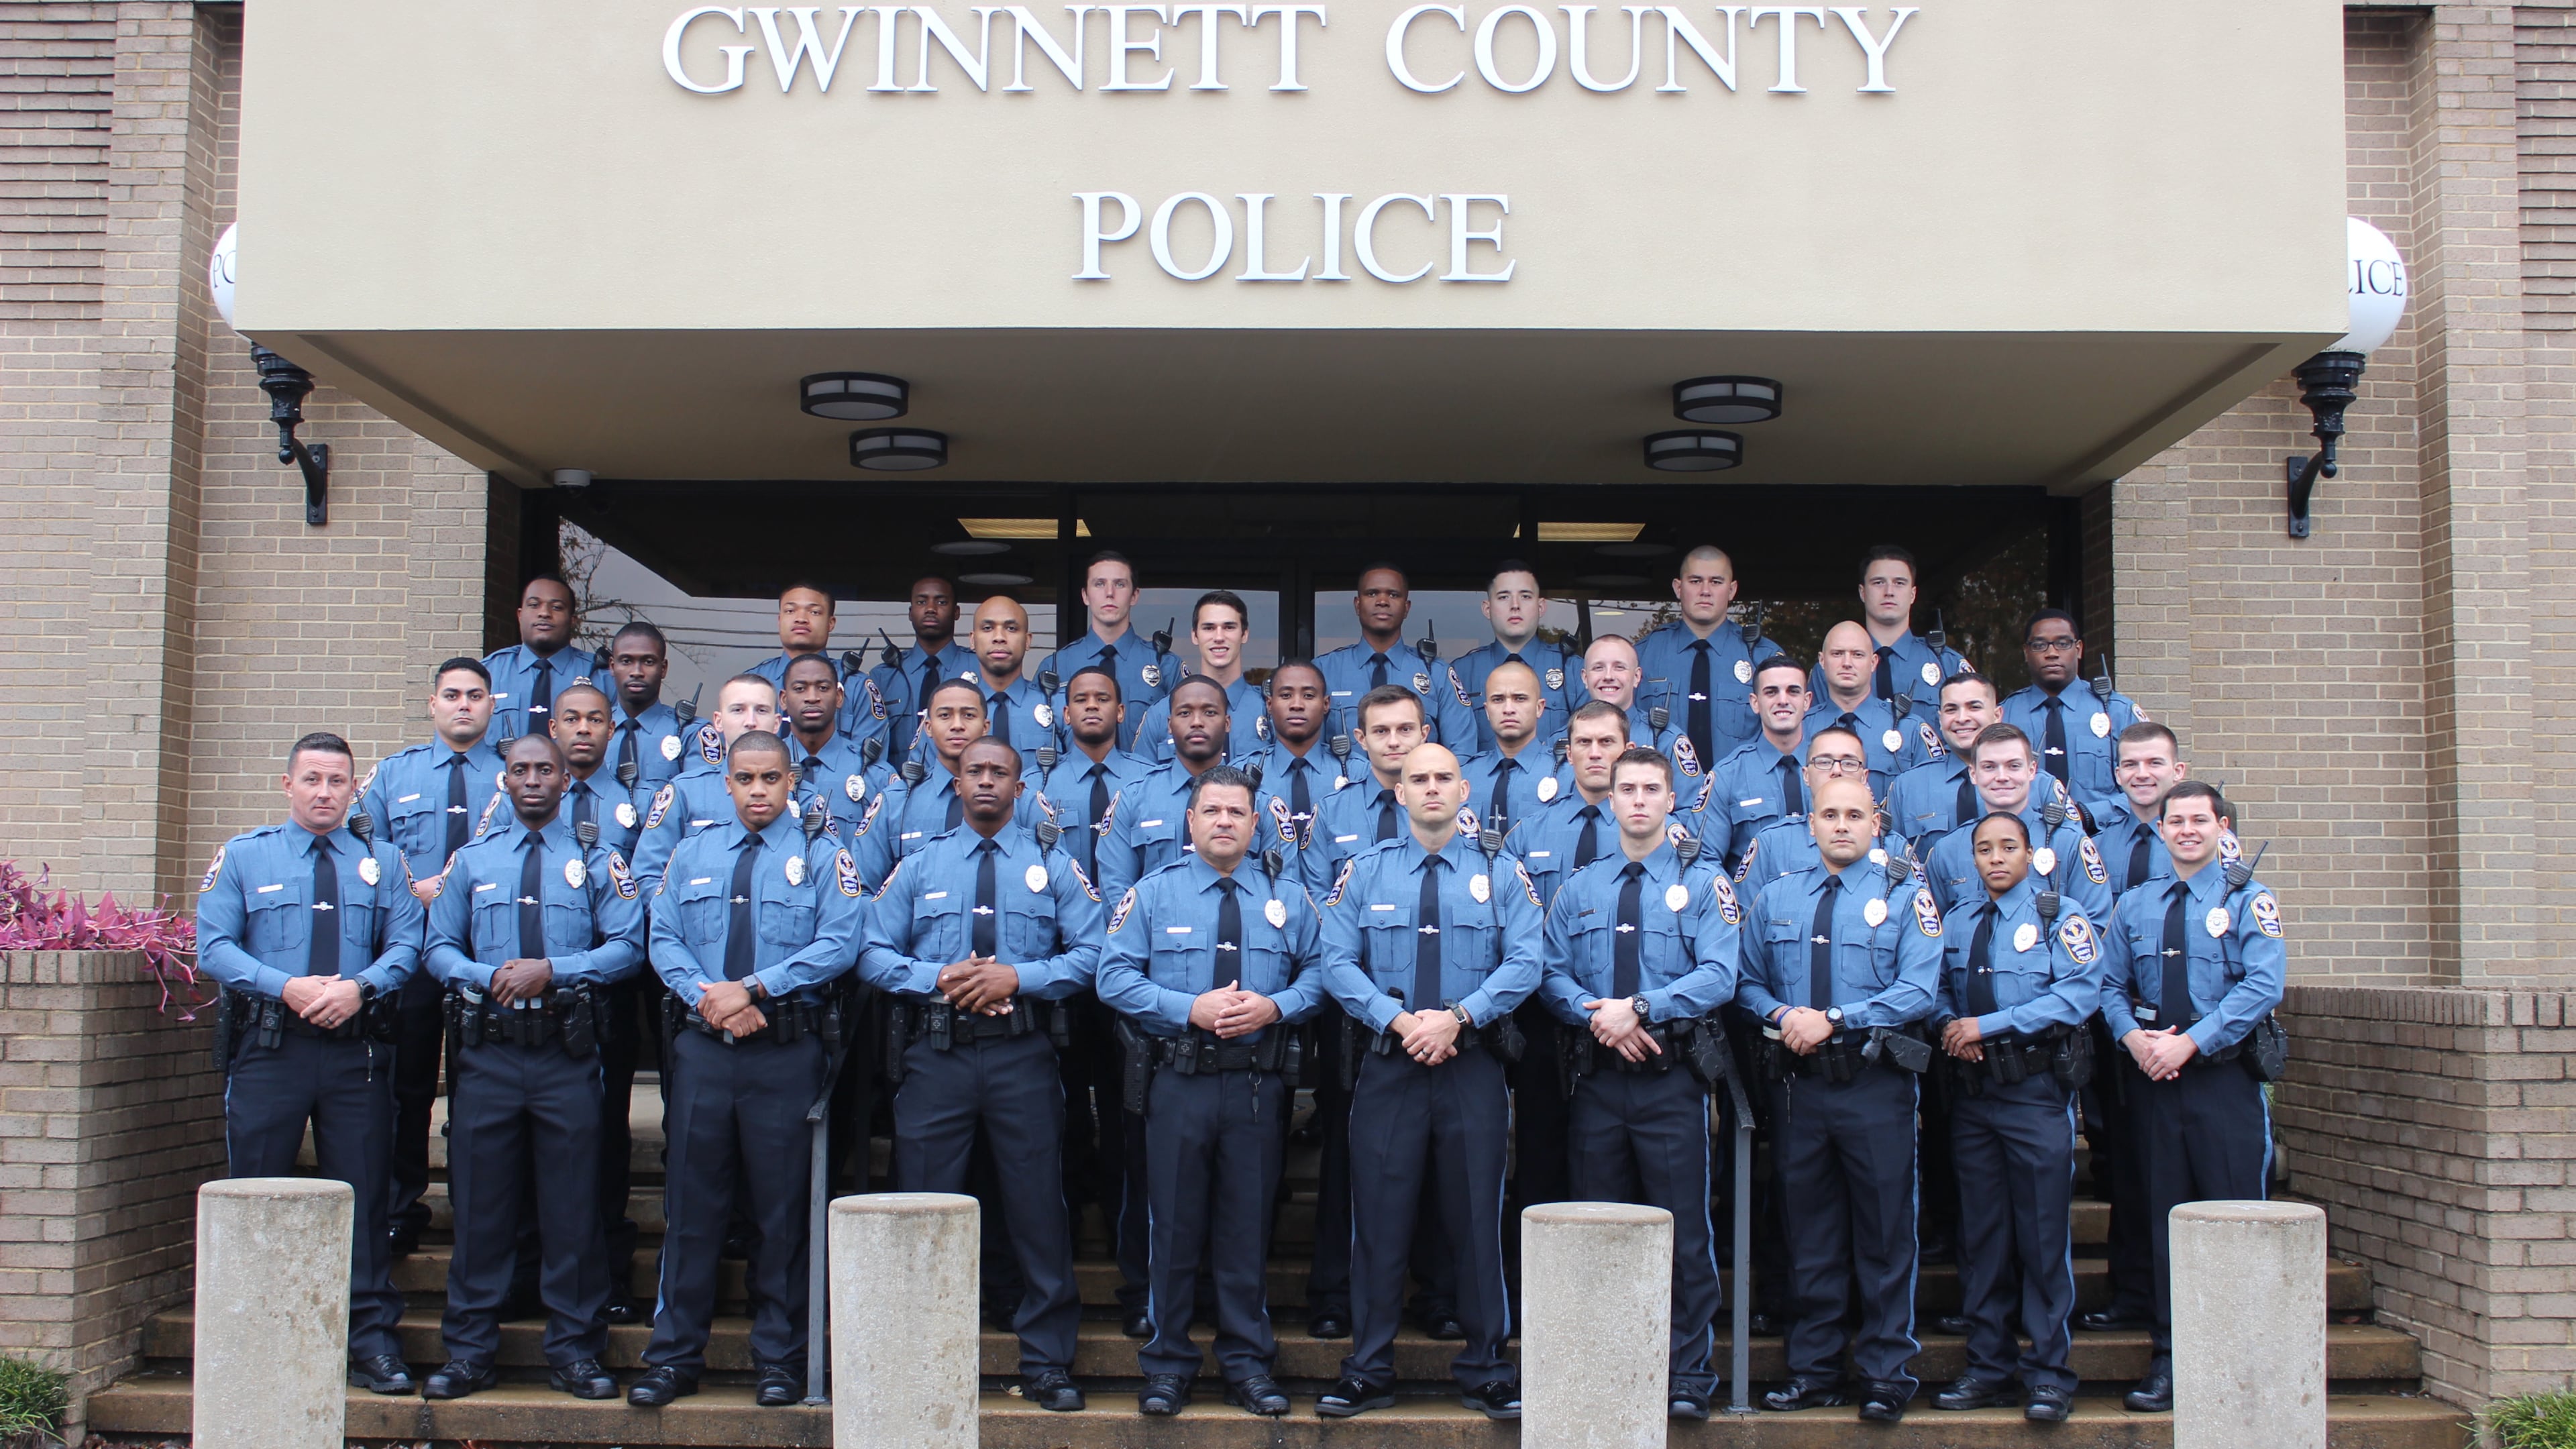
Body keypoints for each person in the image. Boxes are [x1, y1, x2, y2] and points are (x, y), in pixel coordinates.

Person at [861, 736, 1105, 1413]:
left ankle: (1048, 1361)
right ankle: (915, 1359)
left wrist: (1019, 977)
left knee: (1037, 1211)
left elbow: (1095, 954)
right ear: (957, 784)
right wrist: (935, 976)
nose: (989, 782)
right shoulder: (919, 865)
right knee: (922, 1210)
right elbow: (871, 952)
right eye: (976, 772)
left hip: (1022, 1054)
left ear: (1021, 789)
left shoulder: (1053, 864)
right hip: (936, 1055)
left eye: (1001, 773)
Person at [631, 731, 866, 1409]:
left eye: (771, 779)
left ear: (792, 783)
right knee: (694, 1212)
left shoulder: (824, 855)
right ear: (727, 784)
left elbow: (841, 942)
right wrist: (714, 1000)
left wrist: (755, 988)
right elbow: (663, 936)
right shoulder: (692, 852)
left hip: (786, 1055)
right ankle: (673, 1359)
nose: (758, 791)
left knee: (781, 1214)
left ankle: (780, 1360)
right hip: (706, 1051)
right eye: (746, 779)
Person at [1314, 743, 1541, 1422]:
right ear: (1400, 792)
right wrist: (1398, 1019)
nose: (1433, 788)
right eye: (1420, 779)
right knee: (1379, 1223)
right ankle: (1368, 1368)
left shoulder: (1503, 872)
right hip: (1390, 1064)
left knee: (1477, 1217)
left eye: (1445, 777)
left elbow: (1528, 958)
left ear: (1464, 790)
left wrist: (1460, 1018)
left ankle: (1485, 1366)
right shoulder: (1365, 873)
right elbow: (1334, 960)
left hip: (1472, 1064)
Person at [195, 732, 425, 1397]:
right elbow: (213, 946)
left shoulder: (385, 861)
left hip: (356, 1052)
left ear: (356, 789)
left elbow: (407, 944)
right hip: (272, 1050)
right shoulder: (245, 856)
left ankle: (371, 1341)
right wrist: (284, 985)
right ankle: (251, 1341)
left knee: (362, 1198)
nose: (325, 793)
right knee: (254, 1198)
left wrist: (361, 987)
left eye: (338, 781)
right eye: (313, 780)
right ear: (288, 785)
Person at [1095, 765, 1326, 1418]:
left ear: (1256, 826)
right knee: (1172, 1227)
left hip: (1256, 1088)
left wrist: (1276, 1007)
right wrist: (1184, 1007)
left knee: (1245, 1230)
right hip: (1179, 1083)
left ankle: (1247, 1365)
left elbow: (1321, 973)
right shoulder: (1153, 893)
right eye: (1212, 811)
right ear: (1190, 822)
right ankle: (1168, 1365)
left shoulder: (1289, 894)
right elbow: (1113, 980)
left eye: (1236, 813)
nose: (1224, 821)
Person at [421, 734, 645, 1403]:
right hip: (487, 1056)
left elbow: (629, 946)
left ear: (564, 780)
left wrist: (555, 970)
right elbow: (437, 947)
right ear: (505, 781)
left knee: (573, 1212)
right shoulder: (472, 862)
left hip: (566, 1056)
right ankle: (468, 1353)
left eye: (545, 769)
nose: (533, 780)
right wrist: (486, 975)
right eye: (520, 770)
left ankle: (576, 1352)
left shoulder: (599, 862)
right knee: (483, 1211)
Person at [1539, 745, 1742, 1419]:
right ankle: (1605, 1365)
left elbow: (1720, 974)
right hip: (1597, 1081)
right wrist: (1599, 1016)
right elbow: (1551, 973)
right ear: (1608, 797)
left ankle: (1688, 1373)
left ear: (1671, 799)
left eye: (1652, 789)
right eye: (1626, 789)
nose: (1638, 801)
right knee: (1599, 1228)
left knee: (1680, 1231)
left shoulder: (1705, 879)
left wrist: (1643, 1008)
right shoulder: (1581, 887)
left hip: (1670, 1080)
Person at [1734, 777, 1941, 1423]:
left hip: (1874, 1085)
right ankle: (1815, 1369)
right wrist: (1781, 1013)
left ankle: (1886, 1372)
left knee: (1884, 1233)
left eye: (1855, 815)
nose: (1842, 825)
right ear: (1811, 823)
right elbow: (1742, 980)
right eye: (1830, 814)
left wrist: (1834, 1016)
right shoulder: (1775, 896)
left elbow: (1920, 990)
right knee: (1810, 1235)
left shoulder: (1907, 896)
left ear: (1876, 823)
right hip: (1800, 1089)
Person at [2098, 781, 2286, 1415]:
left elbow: (2263, 985)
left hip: (2223, 1083)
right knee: (2165, 1225)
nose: (2184, 830)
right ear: (2160, 830)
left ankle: (2243, 1361)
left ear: (2221, 826)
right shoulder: (2134, 906)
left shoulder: (2248, 900)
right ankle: (2171, 1359)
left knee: (2238, 1223)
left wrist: (2193, 1044)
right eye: (2174, 821)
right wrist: (2134, 1039)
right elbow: (2109, 985)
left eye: (2197, 820)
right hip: (2155, 1082)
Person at [1926, 812, 2102, 1424]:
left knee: (2042, 1237)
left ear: (2031, 854)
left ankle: (2050, 1374)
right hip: (1974, 1097)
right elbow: (1936, 989)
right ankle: (1990, 1367)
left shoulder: (2060, 915)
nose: (1995, 858)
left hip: (2033, 1093)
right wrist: (1953, 1026)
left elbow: (2079, 993)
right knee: (1982, 1238)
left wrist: (1990, 1026)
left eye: (2008, 847)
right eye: (1983, 849)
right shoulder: (1957, 921)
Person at [358, 657, 505, 1258]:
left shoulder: (515, 772)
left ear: (492, 705)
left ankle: (479, 1207)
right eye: (453, 695)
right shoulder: (395, 775)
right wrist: (410, 888)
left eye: (475, 695)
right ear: (433, 703)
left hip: (488, 948)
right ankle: (401, 1206)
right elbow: (361, 848)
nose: (464, 704)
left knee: (483, 1086)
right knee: (408, 1084)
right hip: (413, 946)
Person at [1026, 664, 1154, 1332]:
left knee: (1132, 1118)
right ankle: (1072, 1225)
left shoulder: (1147, 784)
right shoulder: (1041, 788)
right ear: (1064, 712)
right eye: (1081, 699)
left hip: (1138, 977)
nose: (1093, 707)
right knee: (1067, 1109)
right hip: (1066, 976)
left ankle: (1123, 1222)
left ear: (1122, 709)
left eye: (1104, 697)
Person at [550, 680, 656, 1324]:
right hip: (527, 1005)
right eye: (572, 719)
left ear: (612, 729)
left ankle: (610, 1272)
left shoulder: (638, 803)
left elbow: (643, 890)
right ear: (554, 726)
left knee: (606, 1135)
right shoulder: (518, 804)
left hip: (606, 994)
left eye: (596, 719)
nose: (584, 729)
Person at [1098, 676, 1282, 904]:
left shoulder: (1260, 803)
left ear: (1227, 723)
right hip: (1156, 934)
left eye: (1210, 713)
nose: (1197, 722)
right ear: (1169, 724)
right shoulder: (1132, 800)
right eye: (1185, 713)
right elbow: (1117, 892)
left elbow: (1279, 892)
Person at [1920, 724, 2111, 926]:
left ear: (2031, 770)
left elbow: (2094, 925)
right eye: (1989, 767)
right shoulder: (1947, 850)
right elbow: (1935, 930)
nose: (2002, 777)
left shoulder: (2068, 842)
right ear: (1973, 774)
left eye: (2013, 766)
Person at [631, 674, 786, 898]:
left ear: (777, 723)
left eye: (761, 710)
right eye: (738, 710)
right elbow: (647, 878)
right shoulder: (685, 792)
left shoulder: (802, 794)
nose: (750, 720)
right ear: (718, 721)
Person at [1635, 545, 1784, 771]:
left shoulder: (1762, 657)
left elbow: (1786, 733)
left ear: (1732, 590)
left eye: (1716, 582)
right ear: (1678, 587)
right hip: (1662, 796)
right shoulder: (1643, 655)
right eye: (1695, 581)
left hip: (1739, 796)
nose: (1705, 591)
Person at [2000, 610, 2146, 827]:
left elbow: (2148, 788)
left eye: (2063, 643)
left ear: (2078, 649)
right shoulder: (2004, 716)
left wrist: (2089, 814)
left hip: (2101, 840)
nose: (2052, 653)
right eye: (2040, 645)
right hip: (2023, 842)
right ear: (2026, 652)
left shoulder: (2117, 711)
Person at [1315, 565, 1477, 748]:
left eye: (1393, 595)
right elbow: (1309, 751)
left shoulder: (1436, 674)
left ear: (1407, 608)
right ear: (1357, 605)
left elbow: (1462, 752)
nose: (1382, 601)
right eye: (1372, 593)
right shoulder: (1323, 671)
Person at [1037, 551, 1174, 752]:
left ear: (1134, 595)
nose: (1110, 593)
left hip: (1146, 780)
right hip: (1073, 780)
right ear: (1085, 595)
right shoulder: (1055, 666)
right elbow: (1041, 735)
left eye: (1120, 584)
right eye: (1099, 584)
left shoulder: (1165, 664)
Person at [1808, 546, 1968, 713]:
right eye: (1879, 583)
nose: (1889, 592)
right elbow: (1812, 729)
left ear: (1913, 594)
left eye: (1899, 583)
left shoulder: (1946, 662)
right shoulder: (1830, 667)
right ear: (1863, 593)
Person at [1446, 563, 1586, 753]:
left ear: (1541, 607)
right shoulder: (1462, 672)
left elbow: (1587, 739)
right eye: (1504, 597)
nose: (1515, 606)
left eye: (1526, 596)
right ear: (1487, 609)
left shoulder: (1572, 669)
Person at [1731, 725, 1889, 892]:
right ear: (1806, 775)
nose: (1837, 771)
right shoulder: (1771, 844)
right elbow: (1748, 914)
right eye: (1824, 762)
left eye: (1849, 763)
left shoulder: (1893, 846)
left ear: (1864, 777)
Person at [749, 580, 893, 757]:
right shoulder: (752, 683)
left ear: (831, 623)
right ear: (779, 620)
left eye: (814, 612)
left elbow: (870, 765)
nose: (801, 618)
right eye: (790, 611)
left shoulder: (857, 686)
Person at [1703, 656, 1817, 865]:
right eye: (1771, 692)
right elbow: (1706, 861)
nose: (1783, 700)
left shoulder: (1834, 767)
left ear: (1807, 701)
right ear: (1755, 703)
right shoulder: (1728, 776)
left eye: (1793, 691)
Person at [1133, 590, 1269, 763]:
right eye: (1209, 628)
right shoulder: (1162, 713)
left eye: (1229, 627)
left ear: (1245, 634)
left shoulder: (1267, 709)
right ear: (1195, 636)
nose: (1219, 637)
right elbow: (1141, 781)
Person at [1807, 621, 1935, 792]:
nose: (1847, 663)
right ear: (1822, 661)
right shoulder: (1801, 729)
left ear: (1874, 662)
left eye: (1858, 655)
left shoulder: (1909, 729)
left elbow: (1930, 796)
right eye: (1837, 654)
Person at [1574, 636, 1701, 803]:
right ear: (1585, 678)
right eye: (1598, 668)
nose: (1608, 676)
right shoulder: (1562, 743)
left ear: (1637, 677)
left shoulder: (1665, 740)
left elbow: (1689, 812)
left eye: (1619, 667)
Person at [1884, 671, 2004, 845]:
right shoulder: (1907, 787)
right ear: (1940, 719)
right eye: (1951, 709)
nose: (1962, 718)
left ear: (1997, 715)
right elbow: (1891, 854)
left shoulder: (2030, 783)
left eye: (1974, 707)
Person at [867, 574, 977, 760]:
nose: (931, 609)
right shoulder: (883, 677)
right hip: (899, 784)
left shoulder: (979, 667)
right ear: (910, 613)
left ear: (957, 612)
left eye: (941, 602)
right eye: (921, 602)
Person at [780, 651, 888, 838]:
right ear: (783, 700)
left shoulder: (876, 775)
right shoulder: (765, 772)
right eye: (799, 689)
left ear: (839, 697)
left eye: (822, 688)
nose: (812, 697)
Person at [1240, 658, 1342, 853]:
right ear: (1269, 704)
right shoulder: (1241, 775)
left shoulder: (1354, 773)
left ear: (1326, 704)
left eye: (1309, 695)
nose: (1297, 705)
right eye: (1286, 695)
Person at [1456, 659, 1557, 837]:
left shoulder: (1562, 773)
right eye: (1498, 700)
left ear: (1540, 708)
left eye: (1520, 698)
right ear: (1487, 711)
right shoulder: (1464, 776)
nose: (1508, 709)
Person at [483, 574, 584, 743]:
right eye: (534, 605)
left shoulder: (600, 675)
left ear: (573, 621)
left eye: (557, 607)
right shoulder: (488, 673)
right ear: (520, 615)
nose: (544, 613)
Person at [965, 595, 1065, 760]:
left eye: (1011, 628)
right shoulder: (951, 708)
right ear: (973, 640)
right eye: (988, 628)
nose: (999, 637)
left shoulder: (1056, 706)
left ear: (1027, 641)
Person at [2096, 721, 2190, 894]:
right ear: (2118, 775)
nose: (2142, 774)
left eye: (2154, 763)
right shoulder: (2098, 846)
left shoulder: (2203, 841)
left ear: (2177, 771)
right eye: (2131, 765)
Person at [599, 621, 691, 789]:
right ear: (612, 667)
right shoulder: (592, 730)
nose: (637, 672)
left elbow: (697, 803)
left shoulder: (688, 733)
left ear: (663, 669)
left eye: (648, 662)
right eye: (626, 661)